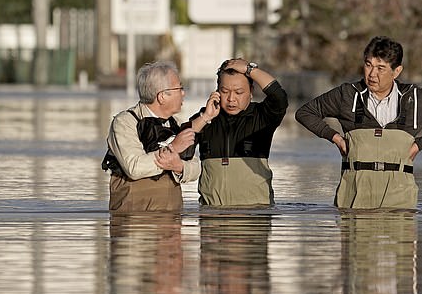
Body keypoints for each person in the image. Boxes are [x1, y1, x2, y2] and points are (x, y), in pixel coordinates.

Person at [295, 36, 422, 209]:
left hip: (400, 199)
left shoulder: (416, 99)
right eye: (368, 65)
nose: (372, 74)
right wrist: (336, 138)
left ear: (397, 71)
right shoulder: (347, 95)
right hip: (353, 198)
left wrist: (421, 144)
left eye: (380, 68)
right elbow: (305, 113)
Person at [103, 60, 214, 212]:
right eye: (179, 88)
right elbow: (134, 168)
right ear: (162, 96)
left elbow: (196, 168)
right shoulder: (124, 122)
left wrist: (179, 166)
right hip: (133, 224)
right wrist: (173, 148)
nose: (183, 93)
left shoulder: (176, 124)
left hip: (172, 222)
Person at [189, 58, 289, 206]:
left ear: (251, 92)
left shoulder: (262, 116)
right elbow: (181, 147)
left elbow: (279, 97)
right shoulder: (205, 119)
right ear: (217, 92)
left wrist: (250, 70)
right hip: (212, 220)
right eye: (225, 91)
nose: (231, 99)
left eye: (239, 92)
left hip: (254, 219)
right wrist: (205, 118)